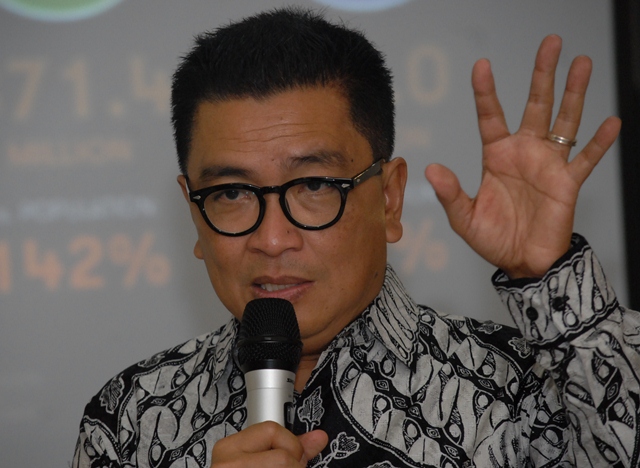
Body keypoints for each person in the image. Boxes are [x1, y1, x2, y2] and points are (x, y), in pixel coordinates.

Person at [72, 7, 640, 468]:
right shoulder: (128, 423)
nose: (272, 239)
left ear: (389, 198)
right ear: (194, 213)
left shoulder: (522, 391)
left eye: (314, 185)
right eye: (232, 193)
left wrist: (549, 274)